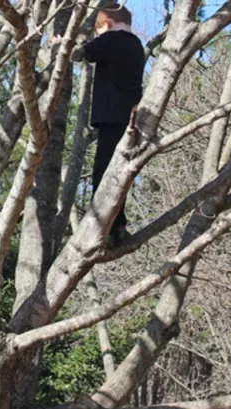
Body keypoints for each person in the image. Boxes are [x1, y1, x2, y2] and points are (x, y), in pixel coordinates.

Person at [72, 4, 145, 245]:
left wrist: (66, 45)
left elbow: (82, 53)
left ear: (107, 23)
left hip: (110, 116)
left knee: (103, 171)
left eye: (98, 28)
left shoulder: (110, 39)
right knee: (120, 171)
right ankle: (119, 224)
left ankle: (105, 225)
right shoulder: (136, 45)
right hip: (130, 117)